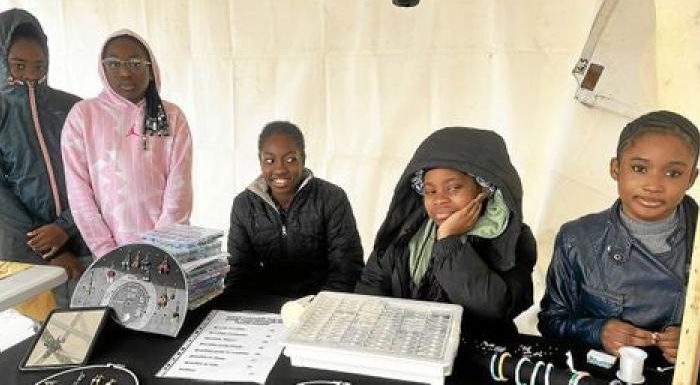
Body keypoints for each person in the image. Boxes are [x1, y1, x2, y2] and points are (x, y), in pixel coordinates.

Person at [538, 110, 699, 364]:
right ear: (616, 168)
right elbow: (551, 321)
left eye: (673, 174)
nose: (653, 185)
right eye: (639, 168)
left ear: (691, 178)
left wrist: (694, 341)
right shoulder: (578, 239)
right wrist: (598, 331)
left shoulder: (697, 237)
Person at [356, 127, 537, 335]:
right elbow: (369, 291)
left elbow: (496, 306)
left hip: (475, 357)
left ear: (484, 188)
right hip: (407, 349)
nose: (439, 199)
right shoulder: (406, 234)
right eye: (430, 191)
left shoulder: (511, 238)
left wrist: (449, 241)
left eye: (453, 188)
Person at [61, 30, 193, 258]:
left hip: (168, 251)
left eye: (134, 63)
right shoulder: (84, 116)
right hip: (110, 253)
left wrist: (159, 248)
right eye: (113, 64)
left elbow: (179, 188)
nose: (124, 72)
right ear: (102, 69)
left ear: (150, 69)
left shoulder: (170, 116)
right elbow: (78, 191)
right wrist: (105, 250)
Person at [0, 8, 91, 308]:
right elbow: (3, 201)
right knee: (56, 335)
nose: (30, 75)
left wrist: (66, 227)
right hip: (30, 253)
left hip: (86, 236)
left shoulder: (72, 107)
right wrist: (49, 249)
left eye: (39, 66)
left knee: (96, 320)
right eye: (19, 65)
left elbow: (96, 177)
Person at [227, 121, 364, 298]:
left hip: (321, 306)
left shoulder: (331, 198)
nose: (280, 169)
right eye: (270, 160)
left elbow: (347, 270)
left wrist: (314, 309)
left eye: (290, 159)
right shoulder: (244, 205)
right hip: (265, 309)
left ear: (303, 159)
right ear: (260, 161)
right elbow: (238, 273)